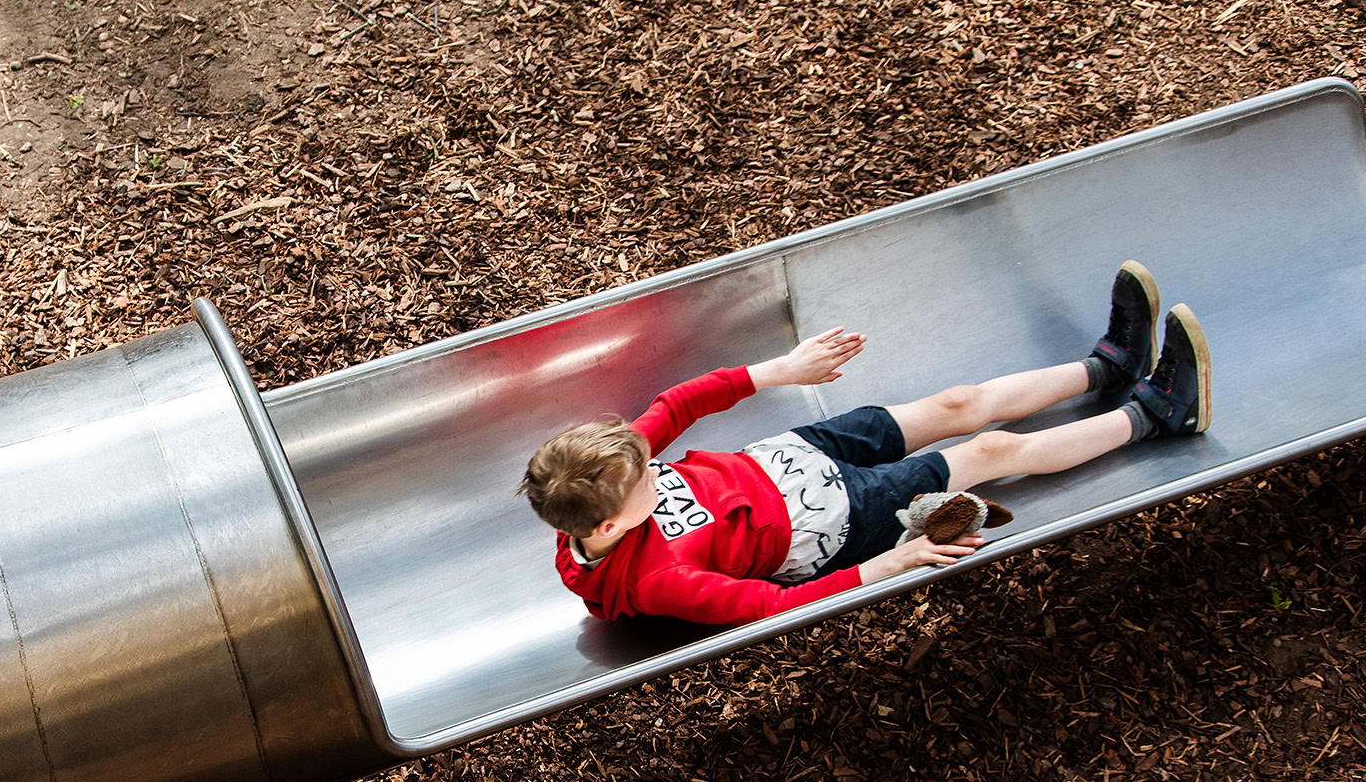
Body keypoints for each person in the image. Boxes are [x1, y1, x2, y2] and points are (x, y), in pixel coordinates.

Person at [517, 262, 1211, 627]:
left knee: (955, 405)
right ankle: (1157, 414)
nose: (653, 470)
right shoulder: (656, 580)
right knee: (992, 451)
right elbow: (772, 608)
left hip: (793, 455)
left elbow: (677, 404)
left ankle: (1107, 367)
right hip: (835, 519)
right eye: (648, 482)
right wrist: (893, 562)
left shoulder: (607, 472)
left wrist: (780, 370)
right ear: (610, 525)